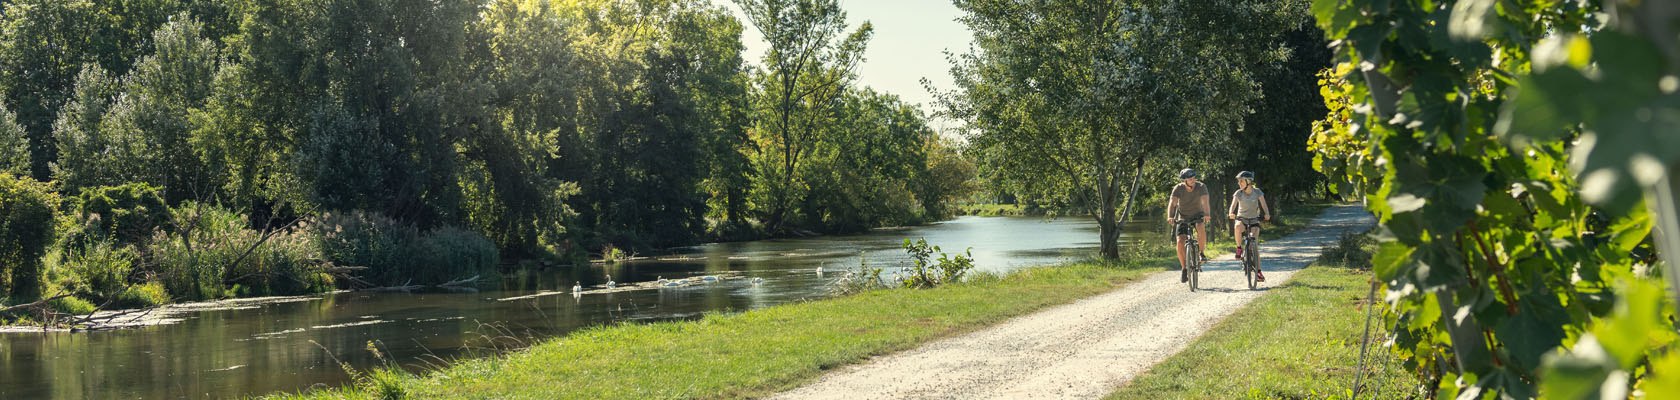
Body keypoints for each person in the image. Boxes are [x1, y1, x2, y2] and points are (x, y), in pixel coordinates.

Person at [1167, 168, 1210, 283]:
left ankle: (1201, 253)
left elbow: (1205, 202)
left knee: (1200, 227)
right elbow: (1172, 203)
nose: (1193, 180)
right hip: (1183, 217)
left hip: (1198, 215)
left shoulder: (1201, 187)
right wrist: (1170, 216)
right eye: (1190, 179)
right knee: (1180, 241)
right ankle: (1184, 268)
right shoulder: (1178, 188)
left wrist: (1207, 214)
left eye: (1194, 178)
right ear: (1184, 180)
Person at [1226, 170, 1271, 282]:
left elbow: (1264, 204)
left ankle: (1259, 272)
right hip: (1242, 219)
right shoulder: (1238, 193)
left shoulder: (1257, 192)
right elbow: (1233, 205)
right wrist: (1231, 213)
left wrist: (1267, 214)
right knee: (1237, 227)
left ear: (1249, 182)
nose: (1239, 183)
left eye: (1241, 181)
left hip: (1254, 219)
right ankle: (1239, 248)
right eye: (1239, 181)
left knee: (1254, 245)